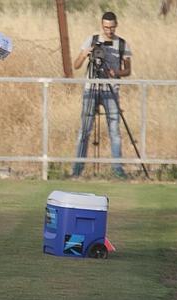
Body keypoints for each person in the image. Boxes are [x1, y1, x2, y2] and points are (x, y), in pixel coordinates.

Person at [71, 11, 132, 179]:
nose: (109, 31)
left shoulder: (122, 44)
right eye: (106, 27)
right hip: (91, 89)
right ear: (101, 25)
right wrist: (85, 53)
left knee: (114, 130)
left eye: (112, 27)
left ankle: (118, 170)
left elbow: (128, 70)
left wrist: (115, 72)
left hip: (111, 90)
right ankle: (77, 169)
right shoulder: (92, 40)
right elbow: (76, 65)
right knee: (84, 130)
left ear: (116, 25)